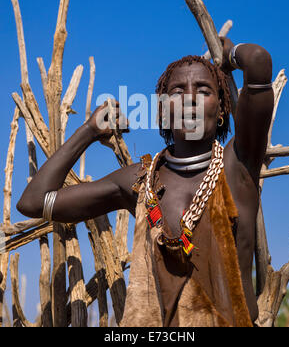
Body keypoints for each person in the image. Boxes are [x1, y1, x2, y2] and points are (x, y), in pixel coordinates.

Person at [17, 38, 274, 327]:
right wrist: (88, 131)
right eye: (178, 92)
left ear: (223, 109)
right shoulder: (141, 181)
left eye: (203, 91)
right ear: (163, 111)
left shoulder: (238, 164)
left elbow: (259, 61)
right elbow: (34, 202)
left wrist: (228, 56)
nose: (190, 98)